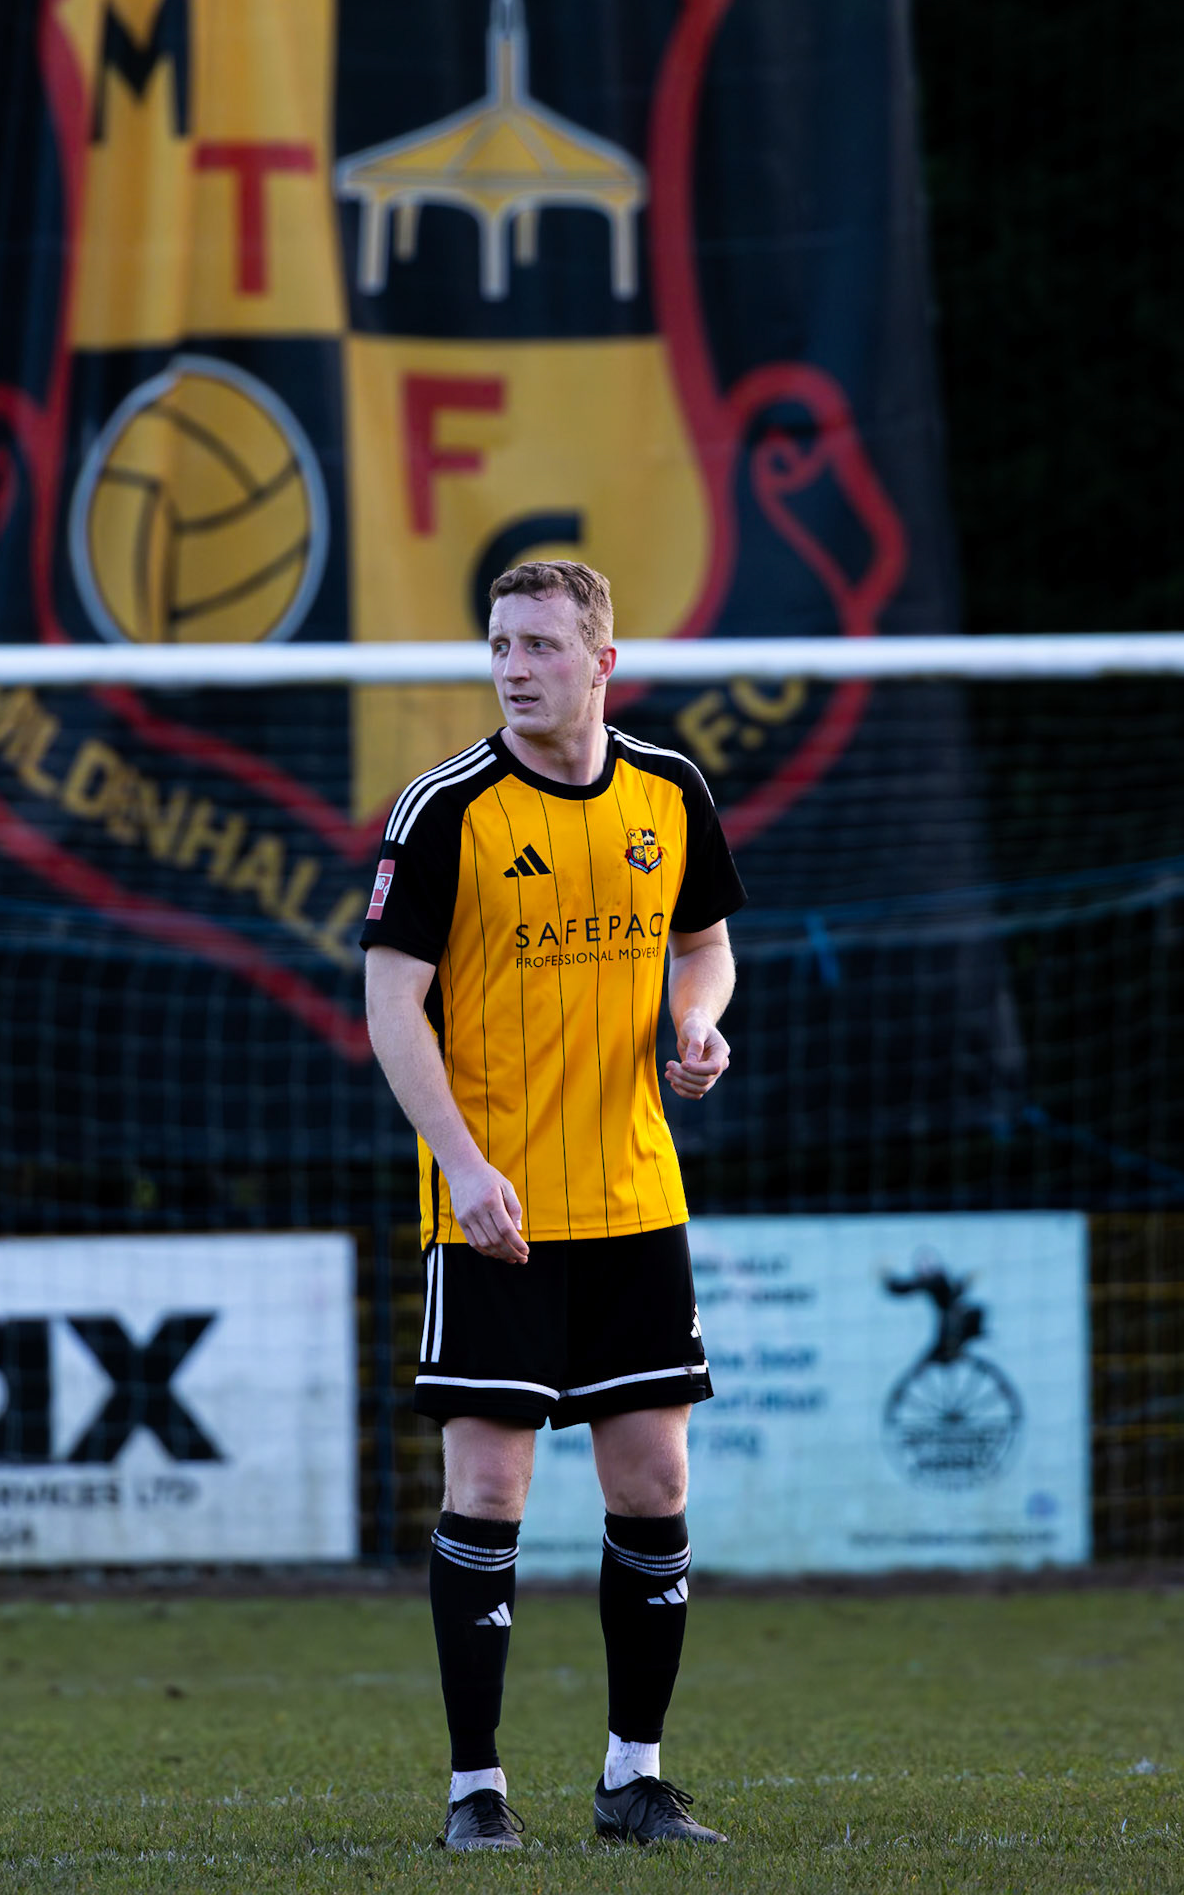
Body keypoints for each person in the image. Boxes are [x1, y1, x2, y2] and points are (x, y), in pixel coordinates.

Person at [361, 559, 745, 1850]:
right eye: (498, 645)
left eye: (538, 644)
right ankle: (475, 1791)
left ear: (601, 662)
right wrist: (463, 1167)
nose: (513, 668)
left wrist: (697, 1022)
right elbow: (390, 1004)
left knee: (653, 1481)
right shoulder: (444, 809)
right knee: (488, 1487)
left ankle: (634, 1779)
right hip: (495, 1208)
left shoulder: (668, 791)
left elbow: (704, 944)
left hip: (634, 1196)